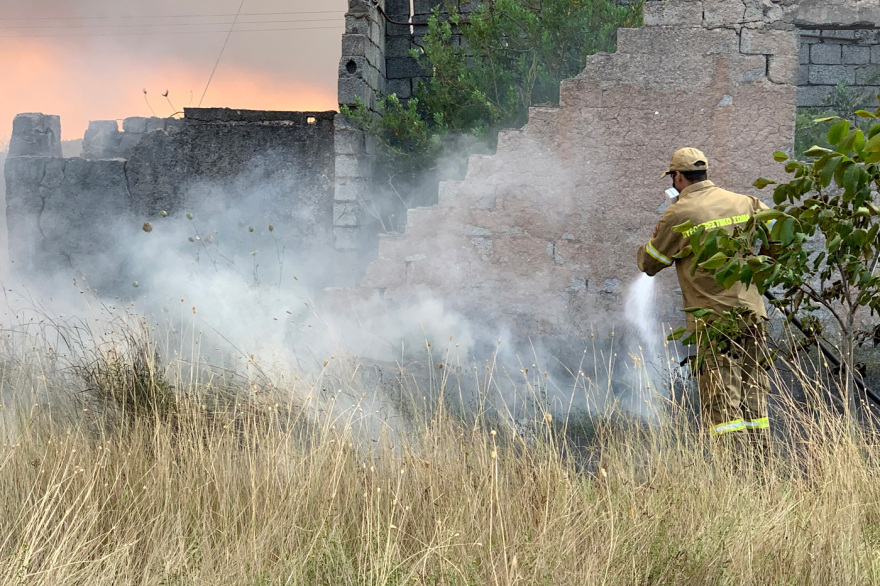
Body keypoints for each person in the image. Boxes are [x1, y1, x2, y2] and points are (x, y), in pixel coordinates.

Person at [636, 147, 772, 457]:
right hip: (753, 314)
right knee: (754, 395)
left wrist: (656, 236)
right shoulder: (745, 202)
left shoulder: (678, 214)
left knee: (722, 402)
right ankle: (760, 466)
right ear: (706, 173)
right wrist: (762, 265)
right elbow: (779, 232)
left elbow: (650, 263)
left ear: (678, 177)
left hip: (715, 322)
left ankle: (735, 472)